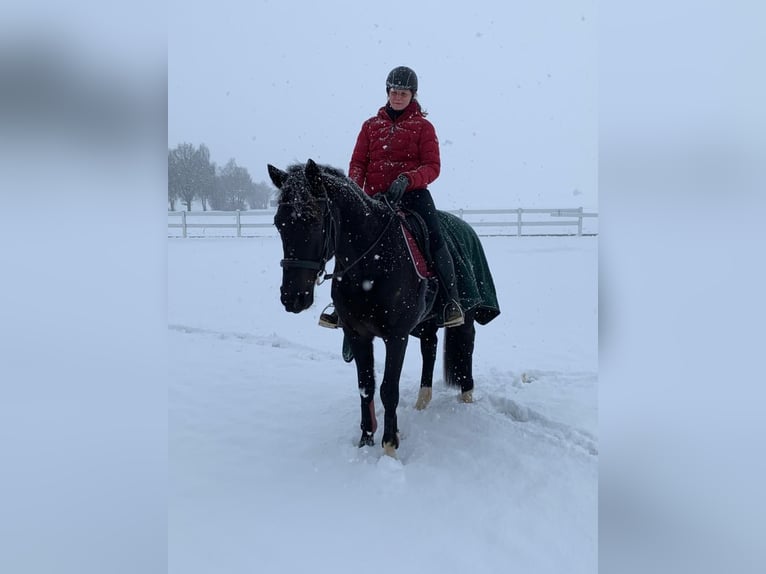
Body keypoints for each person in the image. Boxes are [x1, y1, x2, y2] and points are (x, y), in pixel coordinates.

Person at [319, 65, 464, 330]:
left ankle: (450, 302)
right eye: (394, 92)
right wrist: (356, 192)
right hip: (374, 199)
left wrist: (407, 179)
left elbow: (432, 166)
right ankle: (338, 307)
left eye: (403, 93)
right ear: (388, 92)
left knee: (433, 237)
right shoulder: (370, 126)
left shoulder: (424, 127)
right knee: (347, 242)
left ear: (413, 95)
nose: (398, 97)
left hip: (413, 197)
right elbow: (358, 162)